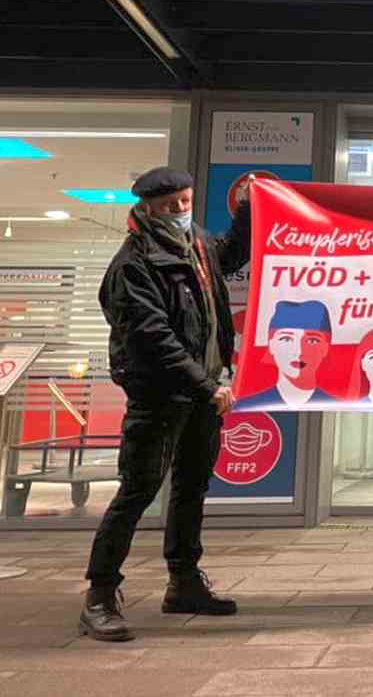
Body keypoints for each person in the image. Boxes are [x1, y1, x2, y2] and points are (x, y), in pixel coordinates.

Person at [80, 167, 249, 641]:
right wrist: (205, 384)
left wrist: (251, 212)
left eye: (185, 200)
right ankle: (99, 593)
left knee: (191, 487)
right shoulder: (134, 263)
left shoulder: (196, 245)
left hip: (201, 393)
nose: (180, 210)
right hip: (160, 396)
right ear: (149, 208)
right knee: (137, 490)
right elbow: (153, 337)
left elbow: (231, 256)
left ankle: (184, 583)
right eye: (170, 204)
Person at [236, 300, 338, 409]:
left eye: (312, 341)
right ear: (271, 344)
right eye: (286, 339)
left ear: (325, 348)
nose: (298, 351)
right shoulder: (245, 406)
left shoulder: (336, 406)